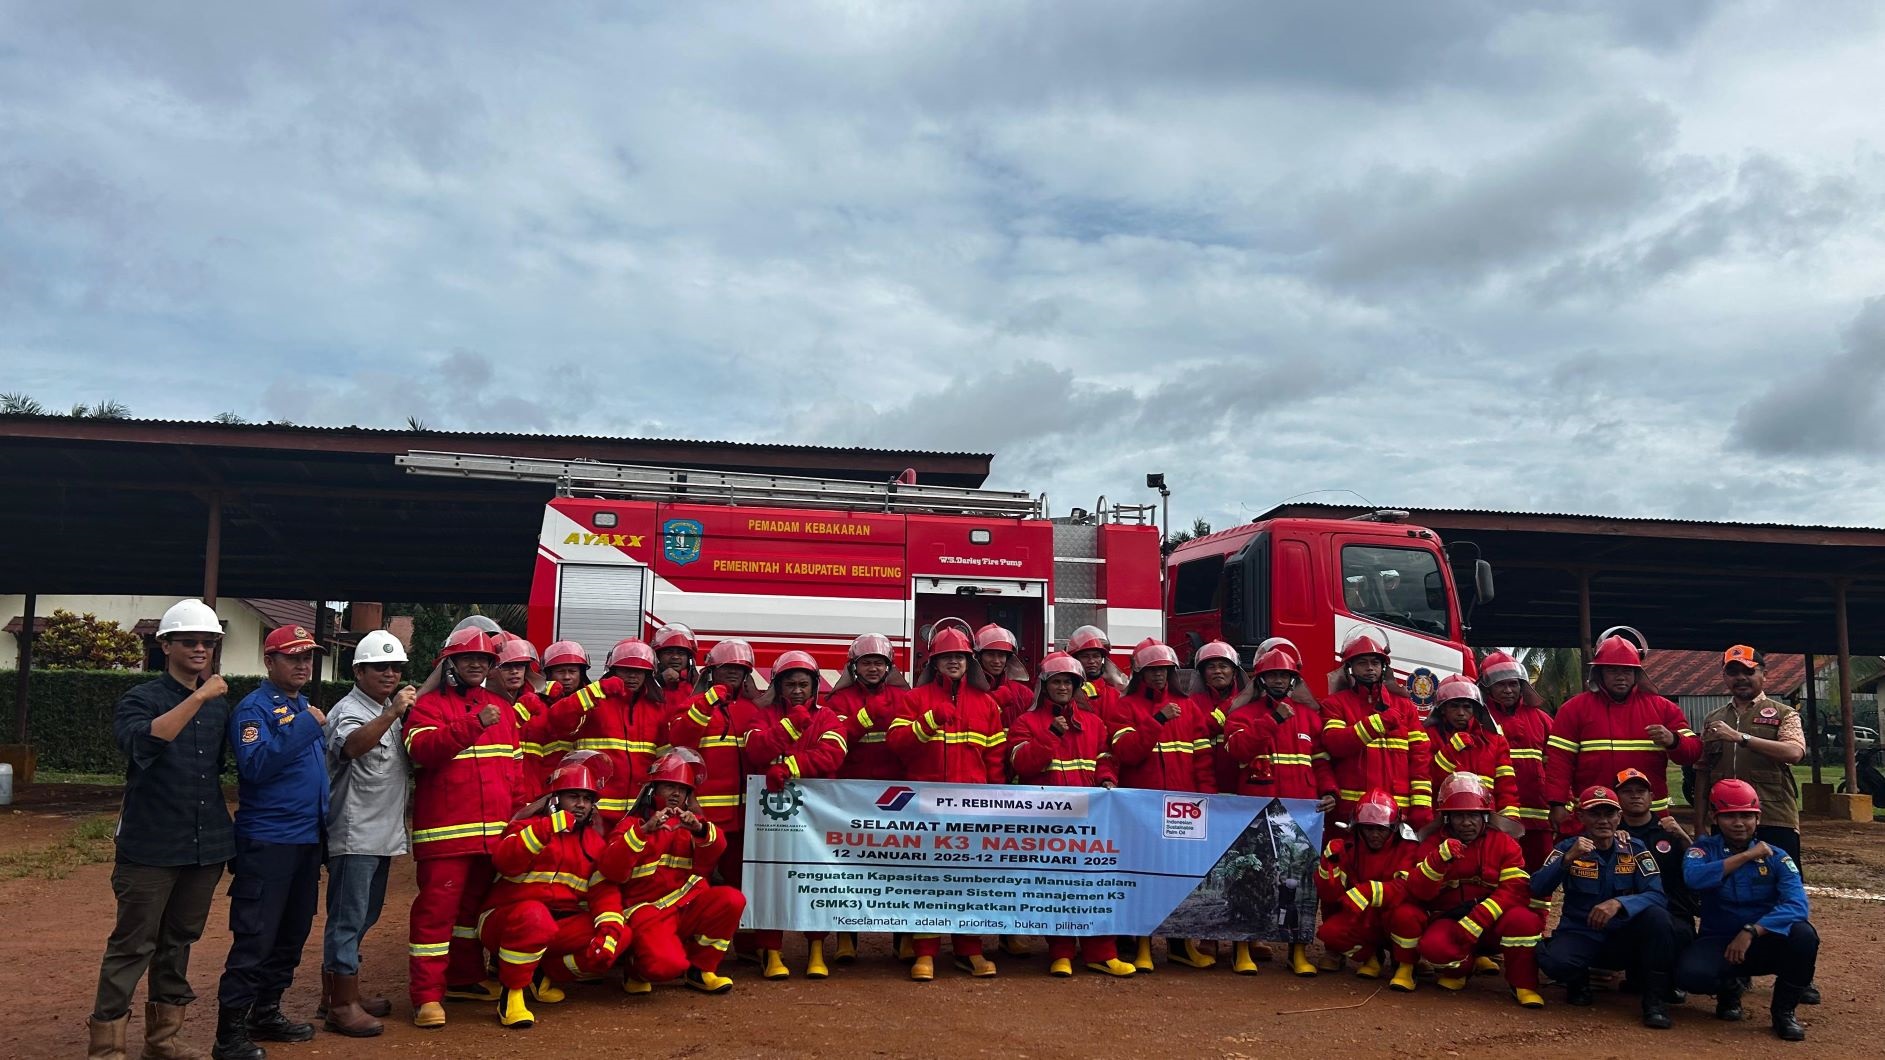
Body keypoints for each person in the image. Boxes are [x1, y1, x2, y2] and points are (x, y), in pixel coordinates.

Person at [89, 600, 236, 1060]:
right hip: (150, 846)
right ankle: (107, 1047)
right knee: (133, 944)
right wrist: (197, 697)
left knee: (178, 942)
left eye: (208, 643)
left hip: (203, 847)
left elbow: (213, 771)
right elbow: (142, 745)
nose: (199, 649)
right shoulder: (142, 699)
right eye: (189, 641)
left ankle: (163, 1041)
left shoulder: (219, 706)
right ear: (166, 645)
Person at [403, 626, 529, 1029]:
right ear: (450, 664)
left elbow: (516, 773)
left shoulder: (503, 708)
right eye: (468, 658)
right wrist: (474, 723)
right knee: (435, 917)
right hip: (446, 837)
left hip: (492, 835)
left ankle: (461, 978)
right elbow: (423, 751)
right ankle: (426, 997)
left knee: (470, 914)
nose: (477, 664)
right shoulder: (426, 707)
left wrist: (517, 820)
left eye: (485, 659)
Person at [214, 624, 330, 1059]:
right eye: (293, 657)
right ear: (270, 661)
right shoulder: (254, 710)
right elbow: (256, 766)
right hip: (267, 843)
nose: (303, 664)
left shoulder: (301, 707)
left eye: (308, 657)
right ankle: (229, 1036)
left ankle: (266, 1011)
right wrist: (304, 726)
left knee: (292, 933)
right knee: (255, 937)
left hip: (305, 841)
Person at [1005, 653, 1135, 978]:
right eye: (1057, 682)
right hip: (1049, 826)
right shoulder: (1026, 722)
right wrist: (1052, 734)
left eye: (1068, 682)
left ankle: (1101, 953)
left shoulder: (1094, 723)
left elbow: (1106, 757)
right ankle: (1060, 952)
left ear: (1077, 686)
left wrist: (1108, 778)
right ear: (1045, 686)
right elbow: (1022, 764)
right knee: (1058, 890)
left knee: (1095, 887)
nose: (1063, 687)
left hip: (1091, 824)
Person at [475, 750, 626, 1029]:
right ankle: (512, 994)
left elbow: (604, 893)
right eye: (573, 797)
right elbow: (506, 861)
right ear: (554, 800)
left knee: (621, 934)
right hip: (503, 920)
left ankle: (541, 971)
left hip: (552, 925)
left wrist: (609, 931)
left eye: (587, 799)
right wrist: (547, 829)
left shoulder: (594, 844)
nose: (581, 805)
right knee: (535, 917)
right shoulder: (526, 825)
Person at [889, 626, 1006, 980]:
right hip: (925, 807)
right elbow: (896, 743)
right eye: (946, 657)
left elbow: (996, 758)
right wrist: (927, 721)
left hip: (972, 809)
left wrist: (996, 802)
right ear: (934, 662)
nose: (953, 661)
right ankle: (925, 953)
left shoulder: (987, 703)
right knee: (928, 882)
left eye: (959, 657)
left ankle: (969, 951)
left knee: (969, 881)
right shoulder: (914, 699)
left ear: (968, 662)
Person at [319, 629, 415, 1038]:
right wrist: (393, 712)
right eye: (380, 667)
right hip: (354, 833)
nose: (389, 673)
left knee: (366, 914)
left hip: (382, 833)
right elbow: (352, 747)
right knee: (347, 917)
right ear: (358, 670)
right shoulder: (351, 710)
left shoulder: (382, 706)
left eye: (395, 667)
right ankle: (341, 1004)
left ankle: (342, 992)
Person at [1221, 646, 1334, 976]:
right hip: (1257, 814)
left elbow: (1322, 761)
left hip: (1302, 815)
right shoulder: (1241, 715)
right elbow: (1239, 750)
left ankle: (1298, 951)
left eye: (1285, 675)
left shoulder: (1310, 717)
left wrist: (1328, 790)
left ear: (1293, 679)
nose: (1279, 680)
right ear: (1260, 679)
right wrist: (1273, 719)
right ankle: (1242, 948)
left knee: (1299, 884)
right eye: (1272, 675)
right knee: (1251, 880)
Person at [1105, 639, 1217, 972]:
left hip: (1185, 809)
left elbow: (1203, 761)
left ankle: (1180, 946)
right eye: (1152, 671)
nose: (1159, 677)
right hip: (1142, 811)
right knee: (1143, 879)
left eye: (1164, 670)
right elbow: (1127, 754)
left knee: (1182, 879)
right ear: (1139, 673)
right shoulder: (1124, 709)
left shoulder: (1190, 707)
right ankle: (1142, 946)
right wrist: (1157, 719)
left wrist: (1207, 798)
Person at [1677, 780, 1818, 1042]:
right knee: (1690, 976)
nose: (1739, 822)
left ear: (1758, 817)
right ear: (1714, 817)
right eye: (1730, 816)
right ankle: (1730, 988)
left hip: (1764, 938)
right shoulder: (1703, 850)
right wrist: (1747, 856)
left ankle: (1783, 1013)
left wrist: (1752, 930)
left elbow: (1797, 905)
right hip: (1718, 940)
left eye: (1746, 816)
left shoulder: (1777, 856)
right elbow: (1693, 879)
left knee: (1804, 936)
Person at [599, 749, 747, 996]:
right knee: (665, 967)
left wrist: (700, 829)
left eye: (682, 789)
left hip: (684, 905)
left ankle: (700, 969)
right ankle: (634, 965)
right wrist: (644, 831)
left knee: (731, 900)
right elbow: (611, 870)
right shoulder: (631, 825)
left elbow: (714, 853)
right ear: (653, 790)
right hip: (646, 912)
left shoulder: (690, 824)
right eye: (669, 786)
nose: (676, 793)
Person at [1387, 772, 1543, 1006]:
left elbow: (1515, 889)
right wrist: (1438, 861)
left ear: (1486, 816)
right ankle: (1462, 968)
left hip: (1492, 924)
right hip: (1451, 921)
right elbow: (1419, 892)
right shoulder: (1432, 843)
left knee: (1524, 921)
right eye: (1459, 815)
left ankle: (1523, 985)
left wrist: (1480, 918)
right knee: (1434, 947)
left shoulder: (1504, 843)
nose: (1467, 822)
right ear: (1447, 818)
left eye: (1473, 814)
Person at [1529, 784, 1676, 1029]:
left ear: (1619, 817)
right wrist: (1566, 860)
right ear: (1581, 816)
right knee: (1556, 962)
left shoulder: (1634, 848)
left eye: (1609, 814)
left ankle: (1655, 1003)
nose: (1603, 820)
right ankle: (1578, 979)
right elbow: (1538, 887)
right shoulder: (1566, 848)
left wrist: (1619, 902)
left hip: (1623, 935)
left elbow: (1657, 894)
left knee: (1659, 919)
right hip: (1581, 932)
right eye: (1595, 814)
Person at [750, 650, 850, 980]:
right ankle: (772, 952)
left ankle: (817, 949)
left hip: (816, 815)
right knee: (771, 881)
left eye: (803, 685)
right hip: (771, 816)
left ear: (814, 686)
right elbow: (755, 751)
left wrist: (790, 766)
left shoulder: (828, 717)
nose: (796, 691)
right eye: (790, 684)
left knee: (816, 881)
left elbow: (834, 753)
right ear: (777, 687)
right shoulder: (761, 715)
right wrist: (791, 725)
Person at [1545, 634, 1700, 829]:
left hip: (1648, 817)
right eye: (1612, 670)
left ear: (1638, 673)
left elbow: (1693, 752)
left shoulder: (1664, 708)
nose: (1620, 676)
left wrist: (1673, 740)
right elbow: (1559, 761)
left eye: (1627, 670)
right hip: (1597, 814)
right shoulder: (1573, 709)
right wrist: (1557, 803)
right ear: (1599, 673)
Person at [664, 639, 766, 930]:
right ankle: (689, 940)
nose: (733, 672)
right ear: (711, 671)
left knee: (742, 883)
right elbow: (680, 740)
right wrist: (708, 702)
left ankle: (747, 947)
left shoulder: (752, 710)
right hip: (702, 819)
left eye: (739, 668)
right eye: (726, 667)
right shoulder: (694, 705)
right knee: (696, 884)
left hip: (744, 820)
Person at [828, 633, 910, 963]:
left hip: (897, 793)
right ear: (854, 666)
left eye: (879, 662)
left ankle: (902, 938)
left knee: (899, 869)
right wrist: (866, 717)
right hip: (853, 793)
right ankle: (847, 938)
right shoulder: (839, 701)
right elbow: (835, 739)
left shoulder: (905, 697)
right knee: (851, 868)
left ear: (889, 666)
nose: (873, 668)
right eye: (866, 662)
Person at [538, 639, 671, 827]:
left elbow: (664, 762)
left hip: (639, 811)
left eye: (639, 671)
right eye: (626, 670)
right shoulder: (595, 699)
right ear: (613, 671)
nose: (633, 676)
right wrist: (596, 691)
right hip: (595, 812)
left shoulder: (657, 708)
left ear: (648, 674)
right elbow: (558, 718)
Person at [1694, 646, 1806, 864]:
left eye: (1748, 671)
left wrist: (1740, 737)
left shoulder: (1784, 714)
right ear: (1725, 677)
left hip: (1773, 816)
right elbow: (1703, 771)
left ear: (1764, 674)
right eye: (1733, 673)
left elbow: (1794, 752)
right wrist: (1699, 823)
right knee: (1727, 882)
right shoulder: (1713, 718)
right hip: (1725, 817)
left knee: (1780, 883)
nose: (1741, 678)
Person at [1322, 629, 1433, 829]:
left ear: (1383, 667)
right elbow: (1335, 744)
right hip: (1351, 813)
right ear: (1350, 669)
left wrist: (1421, 806)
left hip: (1397, 813)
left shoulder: (1405, 707)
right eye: (1362, 663)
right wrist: (1377, 724)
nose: (1370, 668)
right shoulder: (1335, 704)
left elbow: (1420, 759)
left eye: (1375, 663)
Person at [1314, 789, 1416, 979]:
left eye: (1380, 829)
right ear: (1358, 827)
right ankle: (1370, 958)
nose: (1374, 834)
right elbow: (1329, 896)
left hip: (1392, 917)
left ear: (1394, 827)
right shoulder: (1348, 848)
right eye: (1368, 828)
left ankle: (1405, 964)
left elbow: (1404, 889)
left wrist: (1366, 891)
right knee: (1330, 933)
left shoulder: (1407, 847)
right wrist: (1329, 865)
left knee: (1408, 916)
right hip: (1365, 918)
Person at [1479, 651, 1555, 872]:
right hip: (1496, 815)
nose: (1508, 690)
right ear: (1487, 687)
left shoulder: (1543, 720)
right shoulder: (1480, 720)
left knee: (1540, 875)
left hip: (1539, 817)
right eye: (1501, 685)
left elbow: (1557, 765)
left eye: (1513, 684)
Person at [1616, 767, 1699, 969]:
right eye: (1628, 792)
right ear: (1617, 798)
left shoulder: (1669, 831)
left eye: (1641, 791)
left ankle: (1668, 978)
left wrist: (1684, 837)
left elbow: (1697, 868)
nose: (1635, 796)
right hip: (1628, 912)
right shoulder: (1613, 835)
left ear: (1651, 797)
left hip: (1674, 912)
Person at [1425, 676, 1519, 826]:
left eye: (1467, 707)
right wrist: (1450, 751)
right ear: (1442, 709)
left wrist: (1509, 823)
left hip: (1486, 823)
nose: (1461, 713)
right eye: (1454, 706)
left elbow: (1506, 788)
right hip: (1444, 824)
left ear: (1475, 709)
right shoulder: (1427, 736)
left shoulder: (1496, 741)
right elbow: (1427, 782)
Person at [524, 641, 589, 787]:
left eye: (572, 671)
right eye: (560, 672)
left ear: (582, 674)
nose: (567, 677)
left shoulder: (593, 704)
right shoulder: (535, 706)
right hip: (545, 784)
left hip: (582, 786)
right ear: (548, 675)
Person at [974, 623, 1033, 727]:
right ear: (979, 657)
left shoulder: (1024, 694)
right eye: (990, 654)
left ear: (1008, 658)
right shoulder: (967, 690)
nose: (997, 661)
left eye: (1001, 655)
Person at [1066, 625, 1126, 716]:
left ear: (1102, 658)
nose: (1092, 661)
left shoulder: (1114, 694)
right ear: (1075, 659)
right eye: (1085, 656)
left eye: (1096, 656)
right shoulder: (1065, 690)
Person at [652, 623, 702, 715]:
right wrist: (660, 681)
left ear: (689, 659)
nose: (675, 657)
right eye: (669, 652)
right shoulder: (646, 684)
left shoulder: (698, 686)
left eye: (681, 653)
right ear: (658, 657)